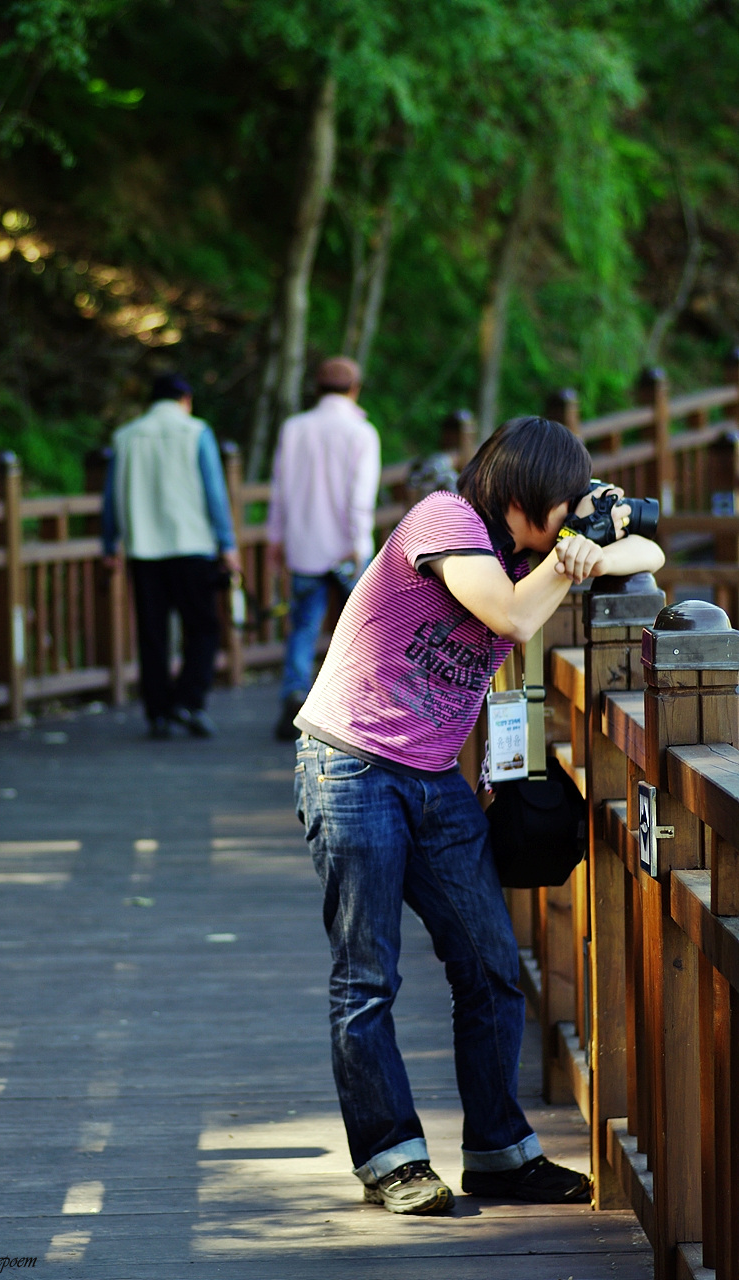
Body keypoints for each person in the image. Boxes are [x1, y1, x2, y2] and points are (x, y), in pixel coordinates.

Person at [292, 416, 665, 1214]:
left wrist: (599, 546)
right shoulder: (443, 519)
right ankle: (390, 1158)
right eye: (563, 508)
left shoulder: (537, 553)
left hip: (433, 776)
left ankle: (500, 1153)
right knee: (368, 977)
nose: (568, 522)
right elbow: (511, 617)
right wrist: (577, 556)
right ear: (526, 493)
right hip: (352, 764)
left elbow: (652, 551)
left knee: (492, 967)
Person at [102, 372, 241, 740]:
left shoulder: (126, 436)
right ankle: (189, 700)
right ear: (185, 399)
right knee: (203, 628)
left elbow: (110, 499)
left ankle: (158, 712)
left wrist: (108, 545)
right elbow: (215, 493)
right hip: (191, 544)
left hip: (143, 549)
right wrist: (227, 544)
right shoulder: (195, 431)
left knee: (152, 633)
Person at [267, 356, 381, 741]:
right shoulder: (361, 432)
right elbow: (360, 498)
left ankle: (294, 697)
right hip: (347, 550)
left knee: (302, 627)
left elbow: (279, 491)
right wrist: (360, 544)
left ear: (316, 389)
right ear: (355, 389)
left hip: (304, 545)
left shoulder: (294, 428)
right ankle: (354, 705)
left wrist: (275, 538)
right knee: (362, 629)